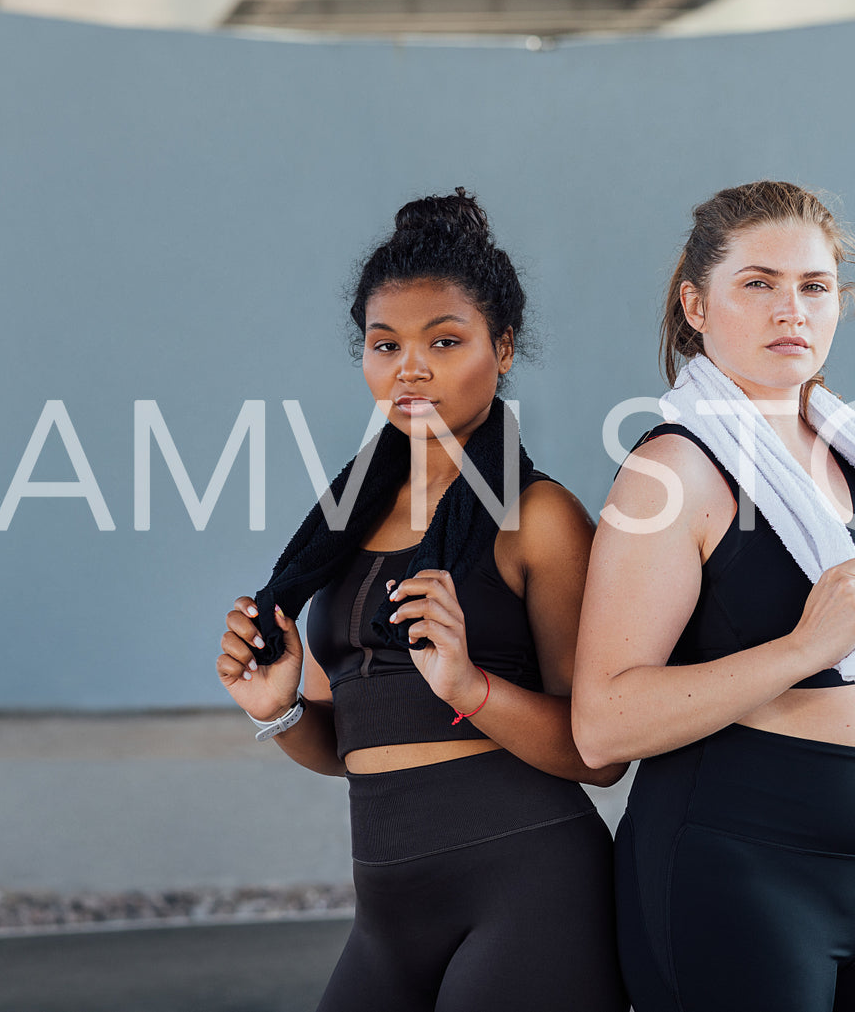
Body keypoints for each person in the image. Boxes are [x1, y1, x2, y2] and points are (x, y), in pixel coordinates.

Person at [572, 181, 855, 1012]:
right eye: (758, 283)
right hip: (733, 865)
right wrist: (801, 645)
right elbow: (601, 725)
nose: (791, 310)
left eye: (813, 286)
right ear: (695, 305)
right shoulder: (674, 469)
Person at [215, 188, 630, 1012]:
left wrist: (469, 687)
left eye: (445, 340)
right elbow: (349, 747)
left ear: (501, 346)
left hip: (529, 888)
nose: (410, 367)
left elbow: (601, 753)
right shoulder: (339, 524)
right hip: (386, 912)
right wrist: (281, 709)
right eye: (384, 343)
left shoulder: (537, 518)